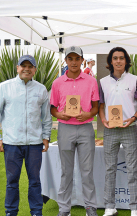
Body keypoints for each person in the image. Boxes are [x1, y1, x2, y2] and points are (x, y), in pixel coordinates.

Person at [0, 55, 52, 216]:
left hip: (34, 143)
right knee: (12, 182)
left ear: (35, 70)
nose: (26, 69)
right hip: (11, 143)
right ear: (17, 68)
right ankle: (11, 212)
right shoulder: (4, 87)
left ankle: (37, 212)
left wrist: (46, 137)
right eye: (23, 65)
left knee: (35, 182)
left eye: (30, 66)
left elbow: (46, 117)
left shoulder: (41, 89)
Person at [50, 46, 99, 216]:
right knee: (66, 171)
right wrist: (59, 114)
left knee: (87, 171)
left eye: (77, 58)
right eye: (70, 59)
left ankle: (90, 207)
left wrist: (88, 114)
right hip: (65, 128)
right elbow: (52, 108)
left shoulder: (91, 81)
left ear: (82, 60)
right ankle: (64, 209)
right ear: (65, 61)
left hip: (85, 128)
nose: (73, 62)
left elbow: (95, 108)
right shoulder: (57, 83)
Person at [99, 47, 137, 216]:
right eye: (115, 58)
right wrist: (103, 120)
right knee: (110, 169)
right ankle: (110, 207)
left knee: (132, 168)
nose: (118, 61)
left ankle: (134, 208)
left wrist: (133, 118)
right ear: (110, 61)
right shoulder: (103, 81)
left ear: (126, 61)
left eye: (121, 58)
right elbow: (101, 107)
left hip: (129, 129)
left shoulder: (135, 80)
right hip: (110, 130)